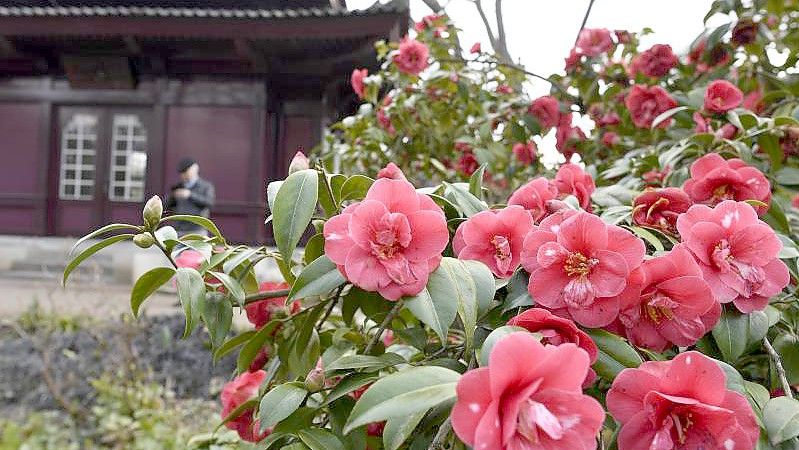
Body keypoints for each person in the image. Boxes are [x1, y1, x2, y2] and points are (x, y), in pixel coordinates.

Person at [165, 158, 215, 235]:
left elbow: (209, 202)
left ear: (194, 169)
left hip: (197, 229)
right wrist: (173, 196)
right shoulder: (178, 186)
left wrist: (190, 195)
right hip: (179, 229)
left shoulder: (206, 186)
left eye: (185, 172)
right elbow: (167, 205)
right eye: (181, 173)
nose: (183, 175)